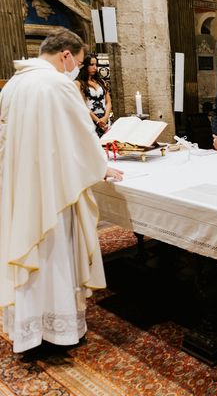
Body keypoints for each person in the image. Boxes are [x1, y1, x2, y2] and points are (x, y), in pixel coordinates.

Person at [0, 28, 123, 355]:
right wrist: (100, 166)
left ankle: (30, 330)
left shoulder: (13, 84)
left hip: (20, 186)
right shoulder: (57, 85)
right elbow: (80, 134)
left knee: (29, 252)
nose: (78, 69)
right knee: (54, 255)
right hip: (52, 190)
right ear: (66, 55)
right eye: (79, 63)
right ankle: (57, 333)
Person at [75, 54, 112, 137]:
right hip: (90, 120)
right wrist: (98, 121)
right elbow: (82, 105)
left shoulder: (101, 82)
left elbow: (108, 101)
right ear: (85, 66)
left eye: (96, 65)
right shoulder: (78, 83)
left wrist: (105, 117)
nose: (95, 68)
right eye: (91, 65)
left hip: (104, 120)